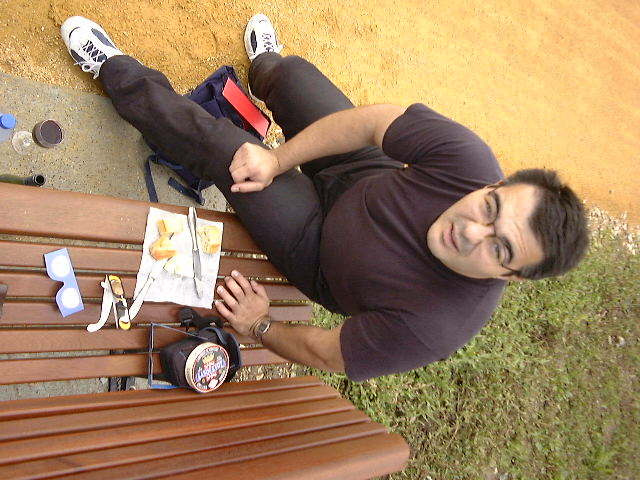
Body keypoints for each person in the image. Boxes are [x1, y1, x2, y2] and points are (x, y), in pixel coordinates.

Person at [60, 14, 589, 381]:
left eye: (499, 248)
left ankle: (115, 70)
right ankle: (266, 69)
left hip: (318, 249)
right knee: (294, 78)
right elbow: (373, 123)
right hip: (363, 173)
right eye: (490, 208)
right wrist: (277, 160)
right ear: (495, 186)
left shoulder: (440, 324)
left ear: (511, 277)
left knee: (227, 149)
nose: (471, 231)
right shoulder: (470, 161)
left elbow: (331, 353)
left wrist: (260, 325)